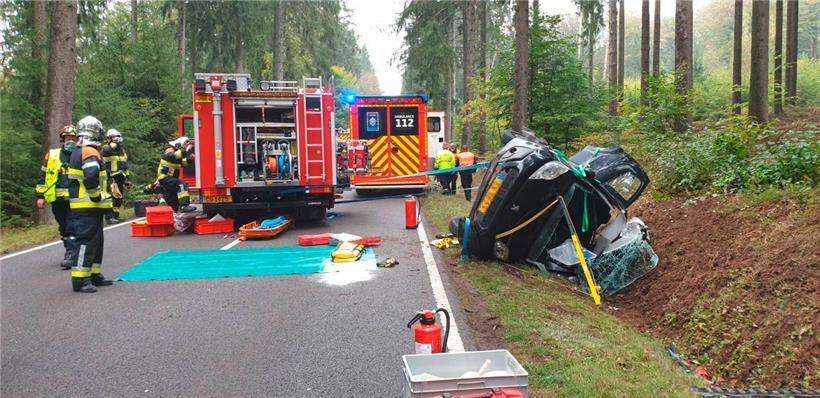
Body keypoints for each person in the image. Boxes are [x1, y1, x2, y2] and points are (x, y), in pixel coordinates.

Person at [66, 116, 114, 293]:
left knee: (96, 242)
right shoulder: (89, 151)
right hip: (87, 206)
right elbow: (91, 176)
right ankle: (80, 279)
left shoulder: (80, 150)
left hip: (88, 208)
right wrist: (96, 197)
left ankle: (93, 274)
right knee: (86, 242)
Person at [35, 125, 78, 269]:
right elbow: (43, 175)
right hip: (57, 199)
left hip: (75, 198)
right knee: (64, 227)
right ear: (62, 139)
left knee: (72, 225)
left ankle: (71, 255)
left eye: (73, 138)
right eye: (68, 138)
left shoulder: (80, 154)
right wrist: (40, 196)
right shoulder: (52, 155)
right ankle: (70, 250)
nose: (70, 141)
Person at [155, 136, 195, 212]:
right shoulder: (170, 151)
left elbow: (181, 163)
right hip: (165, 177)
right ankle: (184, 205)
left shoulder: (176, 158)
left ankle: (176, 210)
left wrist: (190, 160)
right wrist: (186, 150)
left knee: (173, 201)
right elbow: (173, 156)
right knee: (182, 185)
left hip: (168, 180)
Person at [102, 128, 129, 224]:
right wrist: (114, 143)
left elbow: (124, 164)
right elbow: (105, 152)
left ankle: (116, 215)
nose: (117, 138)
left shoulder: (121, 150)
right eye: (114, 137)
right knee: (112, 196)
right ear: (109, 138)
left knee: (119, 196)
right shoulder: (107, 147)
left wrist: (127, 178)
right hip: (110, 176)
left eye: (118, 136)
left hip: (121, 176)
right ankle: (109, 217)